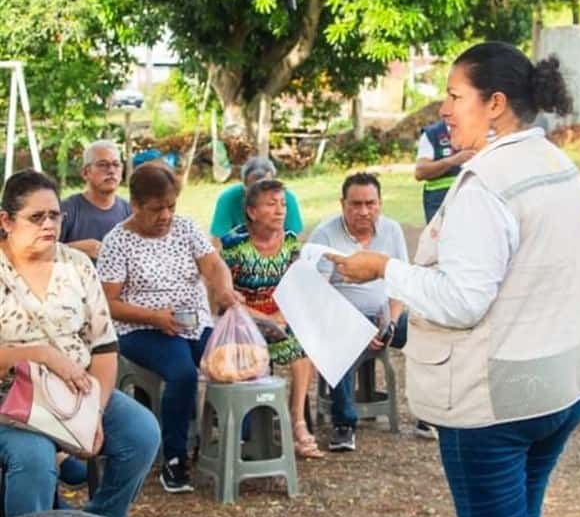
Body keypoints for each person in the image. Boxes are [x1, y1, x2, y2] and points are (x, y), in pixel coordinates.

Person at [327, 42, 580, 517]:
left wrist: (384, 268)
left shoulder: (487, 184)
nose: (444, 110)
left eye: (455, 96)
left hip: (498, 403)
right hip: (563, 383)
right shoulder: (558, 164)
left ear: (495, 103)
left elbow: (461, 302)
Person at [0, 169, 160, 517]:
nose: (49, 225)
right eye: (36, 217)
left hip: (75, 393)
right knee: (34, 456)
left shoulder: (76, 265)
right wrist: (40, 354)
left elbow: (104, 348)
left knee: (141, 432)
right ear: (6, 221)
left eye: (55, 215)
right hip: (9, 401)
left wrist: (93, 414)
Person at [97, 162, 240, 494]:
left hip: (192, 321)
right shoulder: (117, 241)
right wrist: (154, 317)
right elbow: (109, 304)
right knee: (183, 372)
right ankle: (174, 458)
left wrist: (222, 290)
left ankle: (235, 441)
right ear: (135, 205)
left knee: (232, 361)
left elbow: (214, 265)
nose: (165, 216)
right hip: (139, 328)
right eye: (155, 209)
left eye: (171, 207)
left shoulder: (185, 228)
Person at [308, 172, 413, 451]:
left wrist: (389, 323)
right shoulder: (325, 234)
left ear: (380, 203)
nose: (363, 211)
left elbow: (400, 285)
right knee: (336, 343)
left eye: (370, 203)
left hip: (385, 314)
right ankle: (344, 424)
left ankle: (430, 412)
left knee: (431, 333)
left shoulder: (391, 230)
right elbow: (319, 294)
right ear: (342, 204)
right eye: (355, 204)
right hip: (342, 316)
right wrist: (358, 328)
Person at [220, 179, 324, 459]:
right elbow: (225, 297)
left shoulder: (290, 241)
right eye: (271, 204)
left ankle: (296, 421)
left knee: (302, 350)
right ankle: (253, 433)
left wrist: (279, 316)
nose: (280, 211)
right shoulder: (234, 245)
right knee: (252, 354)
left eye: (283, 204)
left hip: (279, 318)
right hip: (242, 322)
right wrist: (261, 318)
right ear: (252, 212)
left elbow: (297, 287)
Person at [209, 156, 303, 248]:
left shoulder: (286, 199)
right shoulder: (228, 199)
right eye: (254, 190)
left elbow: (296, 243)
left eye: (267, 188)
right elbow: (217, 244)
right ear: (244, 187)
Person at [60, 140, 131, 262]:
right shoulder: (66, 210)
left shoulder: (130, 212)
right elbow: (42, 252)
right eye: (103, 165)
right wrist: (73, 249)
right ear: (85, 172)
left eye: (116, 164)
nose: (111, 170)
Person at [414, 121, 476, 223]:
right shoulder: (432, 134)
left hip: (472, 202)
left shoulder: (480, 128)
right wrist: (452, 161)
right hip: (439, 204)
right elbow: (420, 172)